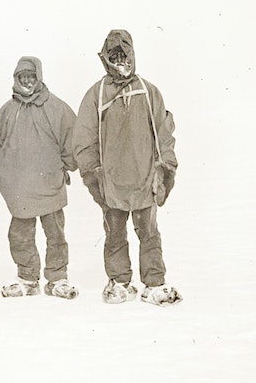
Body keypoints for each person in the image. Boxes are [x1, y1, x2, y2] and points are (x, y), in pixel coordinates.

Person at [72, 29, 182, 306]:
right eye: (114, 56)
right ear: (106, 59)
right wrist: (93, 174)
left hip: (145, 179)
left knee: (149, 233)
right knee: (115, 234)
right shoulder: (96, 94)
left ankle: (154, 283)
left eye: (124, 54)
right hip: (111, 182)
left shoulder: (149, 92)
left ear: (132, 55)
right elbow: (83, 139)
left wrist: (165, 168)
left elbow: (164, 134)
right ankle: (119, 281)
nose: (120, 60)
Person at [0, 56, 79, 299]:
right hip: (20, 188)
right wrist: (8, 172)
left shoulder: (56, 107)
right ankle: (27, 278)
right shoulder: (8, 111)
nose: (27, 81)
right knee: (20, 235)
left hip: (50, 184)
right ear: (16, 79)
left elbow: (71, 140)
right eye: (23, 77)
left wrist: (65, 167)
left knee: (55, 234)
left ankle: (57, 278)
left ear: (39, 77)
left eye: (31, 76)